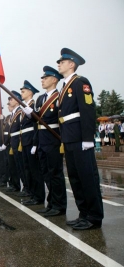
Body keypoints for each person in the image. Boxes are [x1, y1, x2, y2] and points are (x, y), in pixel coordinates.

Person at [56, 47, 103, 230]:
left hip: (80, 138)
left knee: (87, 177)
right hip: (68, 137)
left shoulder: (80, 82)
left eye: (62, 62)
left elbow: (87, 110)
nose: (59, 64)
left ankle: (94, 217)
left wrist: (88, 138)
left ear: (71, 64)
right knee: (75, 178)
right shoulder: (64, 86)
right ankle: (84, 213)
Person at [23, 66, 67, 216]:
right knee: (47, 174)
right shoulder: (41, 98)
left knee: (55, 174)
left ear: (54, 80)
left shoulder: (58, 96)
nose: (42, 80)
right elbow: (37, 123)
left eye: (45, 78)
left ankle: (59, 206)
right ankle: (51, 203)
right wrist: (31, 114)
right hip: (41, 140)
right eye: (42, 78)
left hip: (53, 139)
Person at [19, 80, 43, 206]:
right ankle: (32, 194)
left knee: (35, 171)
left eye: (23, 91)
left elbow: (36, 125)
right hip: (25, 141)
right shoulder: (25, 107)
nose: (21, 94)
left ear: (30, 92)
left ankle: (38, 196)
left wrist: (35, 143)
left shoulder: (34, 105)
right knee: (28, 169)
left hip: (31, 140)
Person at [0, 91, 24, 194]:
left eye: (11, 99)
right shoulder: (13, 115)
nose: (9, 102)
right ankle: (15, 185)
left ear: (17, 101)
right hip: (13, 143)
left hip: (18, 142)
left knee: (21, 168)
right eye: (9, 100)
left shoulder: (20, 112)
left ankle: (23, 188)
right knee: (15, 167)